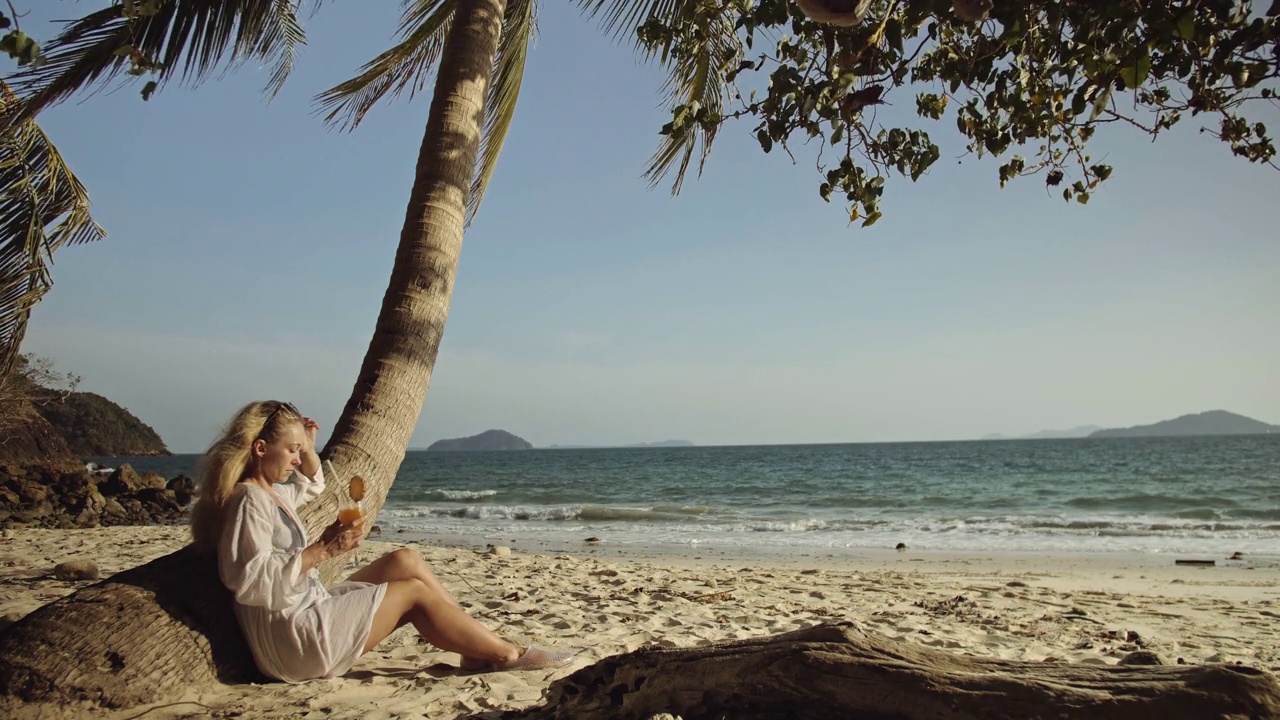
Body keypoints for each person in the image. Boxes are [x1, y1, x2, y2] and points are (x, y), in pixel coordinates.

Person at [190, 400, 573, 683]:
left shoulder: (271, 492)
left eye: (297, 452)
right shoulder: (249, 500)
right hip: (294, 640)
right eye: (290, 451)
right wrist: (324, 551)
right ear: (260, 449)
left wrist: (306, 444)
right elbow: (249, 581)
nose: (295, 460)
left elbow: (314, 483)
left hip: (304, 611)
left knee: (404, 559)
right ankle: (507, 653)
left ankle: (472, 650)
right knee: (412, 592)